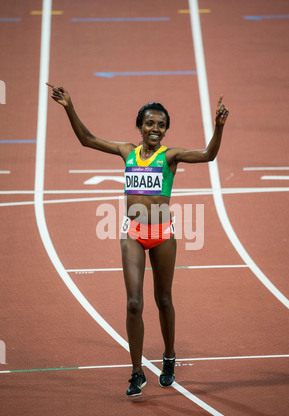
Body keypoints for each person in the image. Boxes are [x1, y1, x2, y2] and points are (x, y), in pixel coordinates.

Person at [46, 82, 229, 397]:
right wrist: (68, 107)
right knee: (133, 304)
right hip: (133, 233)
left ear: (166, 130)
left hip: (162, 235)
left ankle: (169, 357)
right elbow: (87, 139)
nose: (155, 128)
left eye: (161, 124)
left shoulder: (170, 156)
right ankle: (135, 372)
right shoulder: (126, 151)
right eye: (149, 123)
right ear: (140, 127)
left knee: (164, 299)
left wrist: (218, 125)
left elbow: (208, 155)